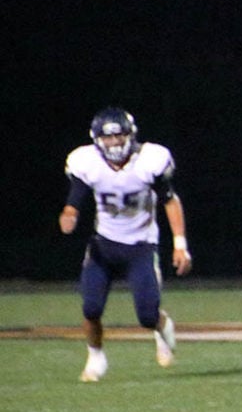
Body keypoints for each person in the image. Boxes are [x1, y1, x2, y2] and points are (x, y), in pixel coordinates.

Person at [59, 107, 192, 382]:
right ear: (98, 140)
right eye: (109, 138)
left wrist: (180, 244)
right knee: (91, 308)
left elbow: (170, 200)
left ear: (130, 136)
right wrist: (70, 213)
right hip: (104, 245)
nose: (115, 143)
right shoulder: (86, 161)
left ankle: (162, 324)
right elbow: (77, 195)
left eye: (120, 136)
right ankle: (96, 357)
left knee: (146, 316)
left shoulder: (149, 159)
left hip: (141, 245)